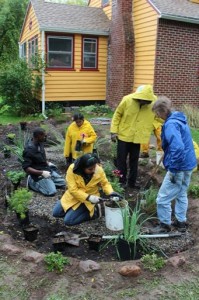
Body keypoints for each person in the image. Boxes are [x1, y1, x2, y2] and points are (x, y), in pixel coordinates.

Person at [150, 96, 197, 233]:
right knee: (181, 193)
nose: (157, 116)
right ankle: (181, 222)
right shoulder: (179, 119)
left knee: (162, 198)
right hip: (188, 164)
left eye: (157, 113)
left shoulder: (170, 124)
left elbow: (178, 147)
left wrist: (174, 168)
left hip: (179, 167)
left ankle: (164, 225)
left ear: (162, 111)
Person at [53, 153, 121, 226]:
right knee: (56, 213)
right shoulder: (72, 169)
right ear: (82, 168)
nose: (94, 170)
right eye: (90, 169)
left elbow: (105, 184)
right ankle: (73, 209)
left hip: (89, 200)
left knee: (68, 221)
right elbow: (73, 190)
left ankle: (94, 213)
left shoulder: (99, 170)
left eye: (94, 167)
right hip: (74, 196)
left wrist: (110, 192)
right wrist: (88, 197)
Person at [110, 85, 157, 189]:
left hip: (138, 137)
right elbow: (117, 115)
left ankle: (132, 182)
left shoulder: (155, 102)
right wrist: (114, 131)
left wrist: (150, 126)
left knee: (134, 161)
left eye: (146, 101)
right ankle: (121, 181)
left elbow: (158, 118)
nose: (143, 102)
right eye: (141, 100)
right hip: (124, 135)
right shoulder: (127, 100)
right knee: (121, 160)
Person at [22, 127, 65, 196]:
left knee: (64, 183)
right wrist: (41, 173)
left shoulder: (40, 143)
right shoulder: (29, 150)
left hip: (46, 170)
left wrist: (48, 163)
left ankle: (48, 182)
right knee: (51, 192)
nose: (46, 137)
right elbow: (26, 168)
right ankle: (31, 183)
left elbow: (41, 157)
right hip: (37, 175)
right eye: (44, 136)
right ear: (38, 136)